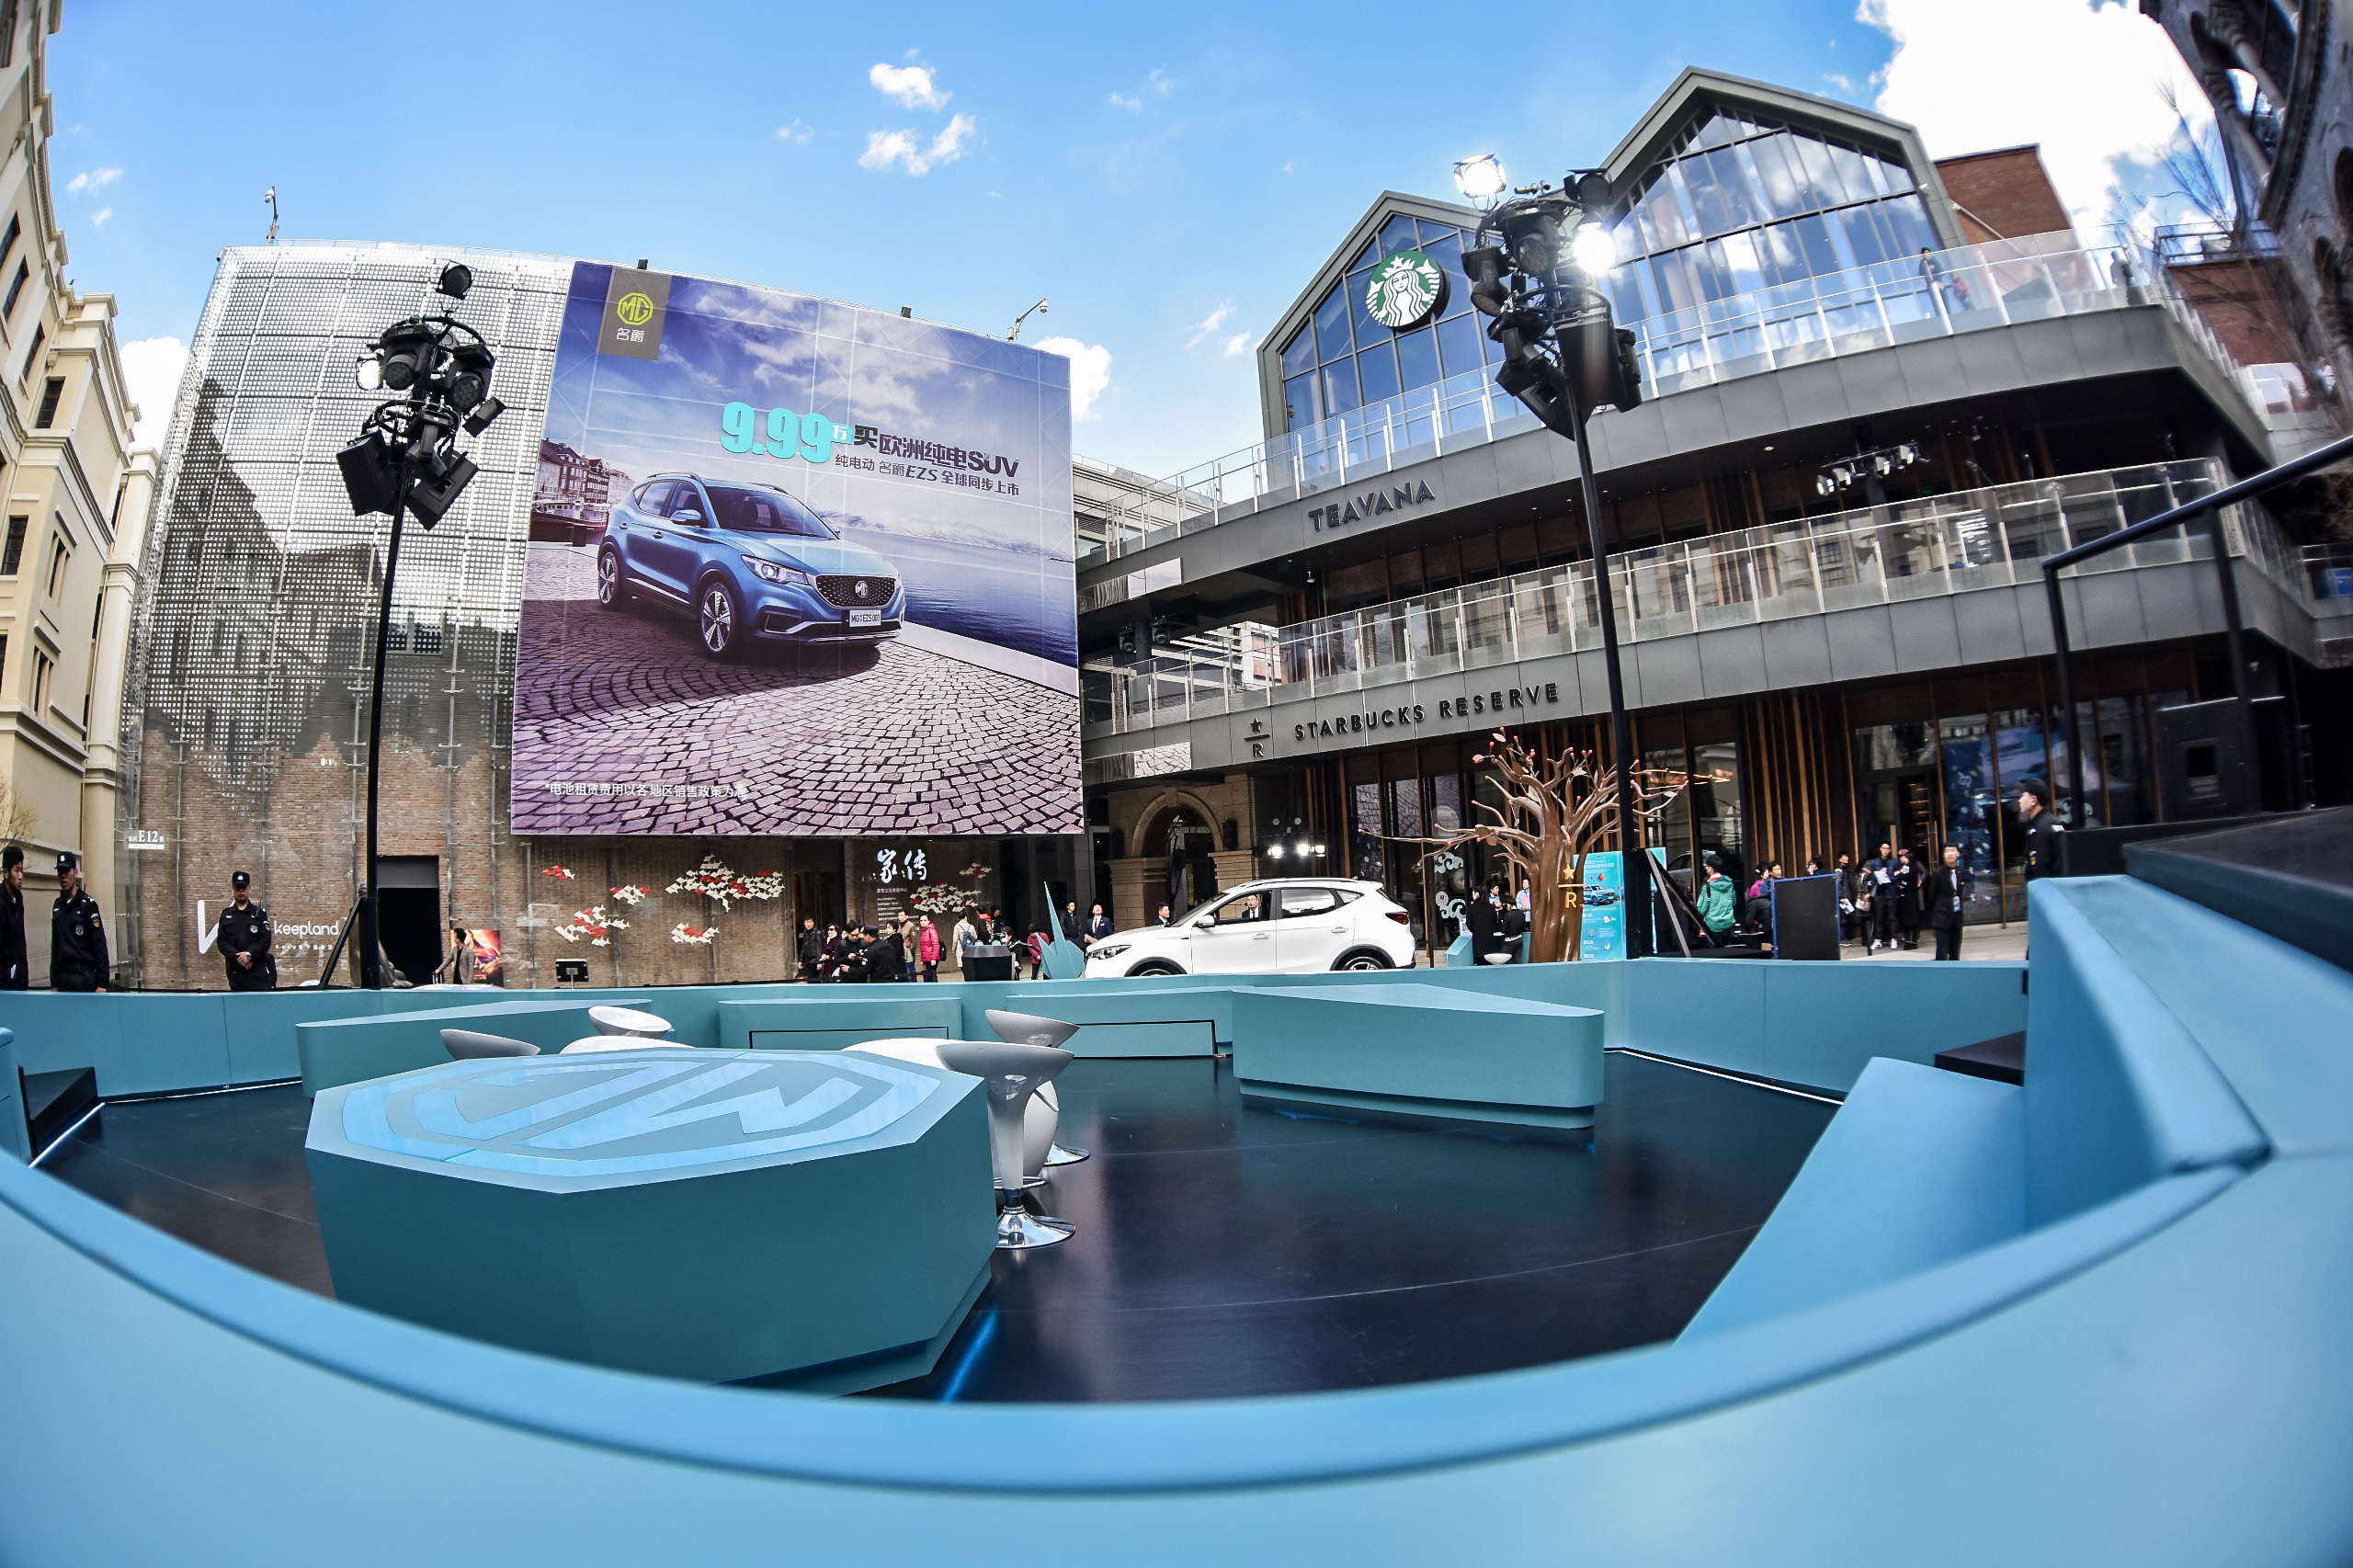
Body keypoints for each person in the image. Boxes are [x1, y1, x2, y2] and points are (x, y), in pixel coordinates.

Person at [51, 851, 108, 993]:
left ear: (75, 872)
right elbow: (55, 947)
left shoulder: (88, 905)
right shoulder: (57, 906)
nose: (63, 876)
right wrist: (54, 982)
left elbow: (99, 944)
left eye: (66, 871)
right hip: (64, 979)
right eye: (60, 872)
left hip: (84, 978)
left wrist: (102, 983)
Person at [217, 870, 277, 991]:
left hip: (257, 974)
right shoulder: (226, 915)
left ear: (249, 888)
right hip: (235, 975)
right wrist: (239, 958)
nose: (241, 891)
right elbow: (222, 942)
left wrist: (249, 954)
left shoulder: (259, 914)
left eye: (243, 888)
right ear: (232, 889)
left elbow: (265, 940)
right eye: (238, 887)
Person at [1927, 844, 1971, 960]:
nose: (1950, 854)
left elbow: (1959, 893)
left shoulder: (1961, 871)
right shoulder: (1938, 873)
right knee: (1942, 953)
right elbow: (1931, 896)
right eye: (1947, 851)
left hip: (1957, 918)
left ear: (1958, 853)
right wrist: (1939, 911)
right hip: (1942, 919)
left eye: (1952, 850)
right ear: (1944, 855)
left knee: (1955, 953)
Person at [1864, 841, 1899, 953]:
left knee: (1892, 917)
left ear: (1890, 850)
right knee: (1879, 917)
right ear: (1880, 849)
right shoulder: (1876, 862)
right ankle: (1878, 939)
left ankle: (1893, 938)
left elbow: (1898, 876)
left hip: (1891, 892)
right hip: (1879, 893)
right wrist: (1870, 893)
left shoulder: (1894, 862)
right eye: (1883, 848)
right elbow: (1873, 879)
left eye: (1887, 848)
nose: (1885, 850)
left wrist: (1890, 878)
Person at [0, 845, 27, 990]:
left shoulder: (18, 899)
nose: (20, 876)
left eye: (22, 870)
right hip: (4, 983)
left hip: (19, 980)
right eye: (16, 870)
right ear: (6, 873)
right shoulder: (1, 902)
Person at [1696, 859, 1738, 938]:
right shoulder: (1730, 884)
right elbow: (1734, 902)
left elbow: (1701, 909)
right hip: (1728, 924)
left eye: (1707, 866)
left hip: (1712, 926)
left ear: (1710, 868)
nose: (1706, 868)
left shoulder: (1707, 887)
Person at [1895, 847, 1925, 951]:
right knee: (1906, 921)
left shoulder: (1913, 867)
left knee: (1913, 920)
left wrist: (1899, 874)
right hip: (1904, 896)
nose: (1902, 859)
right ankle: (1908, 941)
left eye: (1904, 857)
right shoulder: (1903, 867)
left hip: (1911, 897)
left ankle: (1913, 941)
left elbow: (1907, 877)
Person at [796, 916, 824, 983]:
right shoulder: (805, 932)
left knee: (813, 979)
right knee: (811, 979)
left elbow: (820, 947)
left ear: (813, 923)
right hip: (808, 960)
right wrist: (801, 960)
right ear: (804, 923)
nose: (808, 924)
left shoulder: (817, 933)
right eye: (807, 922)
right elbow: (803, 947)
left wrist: (819, 962)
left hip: (814, 960)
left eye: (810, 922)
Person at [917, 915, 941, 982]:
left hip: (932, 957)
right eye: (921, 920)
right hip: (927, 958)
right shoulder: (923, 931)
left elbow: (936, 945)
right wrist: (922, 959)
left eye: (925, 920)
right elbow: (923, 947)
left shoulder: (932, 931)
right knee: (929, 976)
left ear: (929, 921)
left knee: (932, 976)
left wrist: (934, 958)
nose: (923, 922)